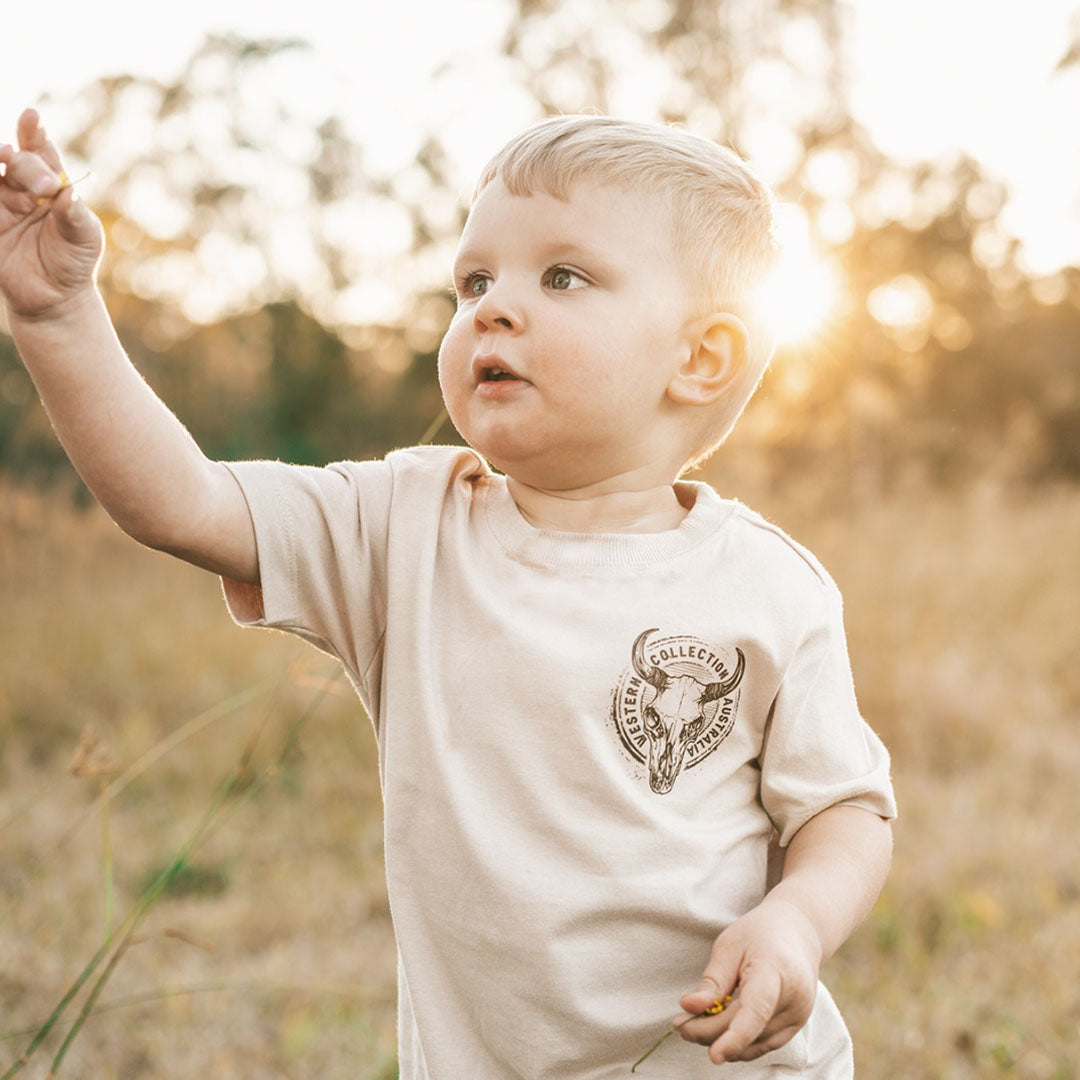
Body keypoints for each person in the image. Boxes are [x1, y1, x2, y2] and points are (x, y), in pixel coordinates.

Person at [0, 108, 896, 1078]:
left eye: (563, 276)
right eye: (473, 282)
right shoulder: (404, 526)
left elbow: (841, 810)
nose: (492, 309)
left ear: (700, 357)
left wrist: (795, 924)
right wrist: (58, 317)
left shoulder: (768, 583)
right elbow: (180, 501)